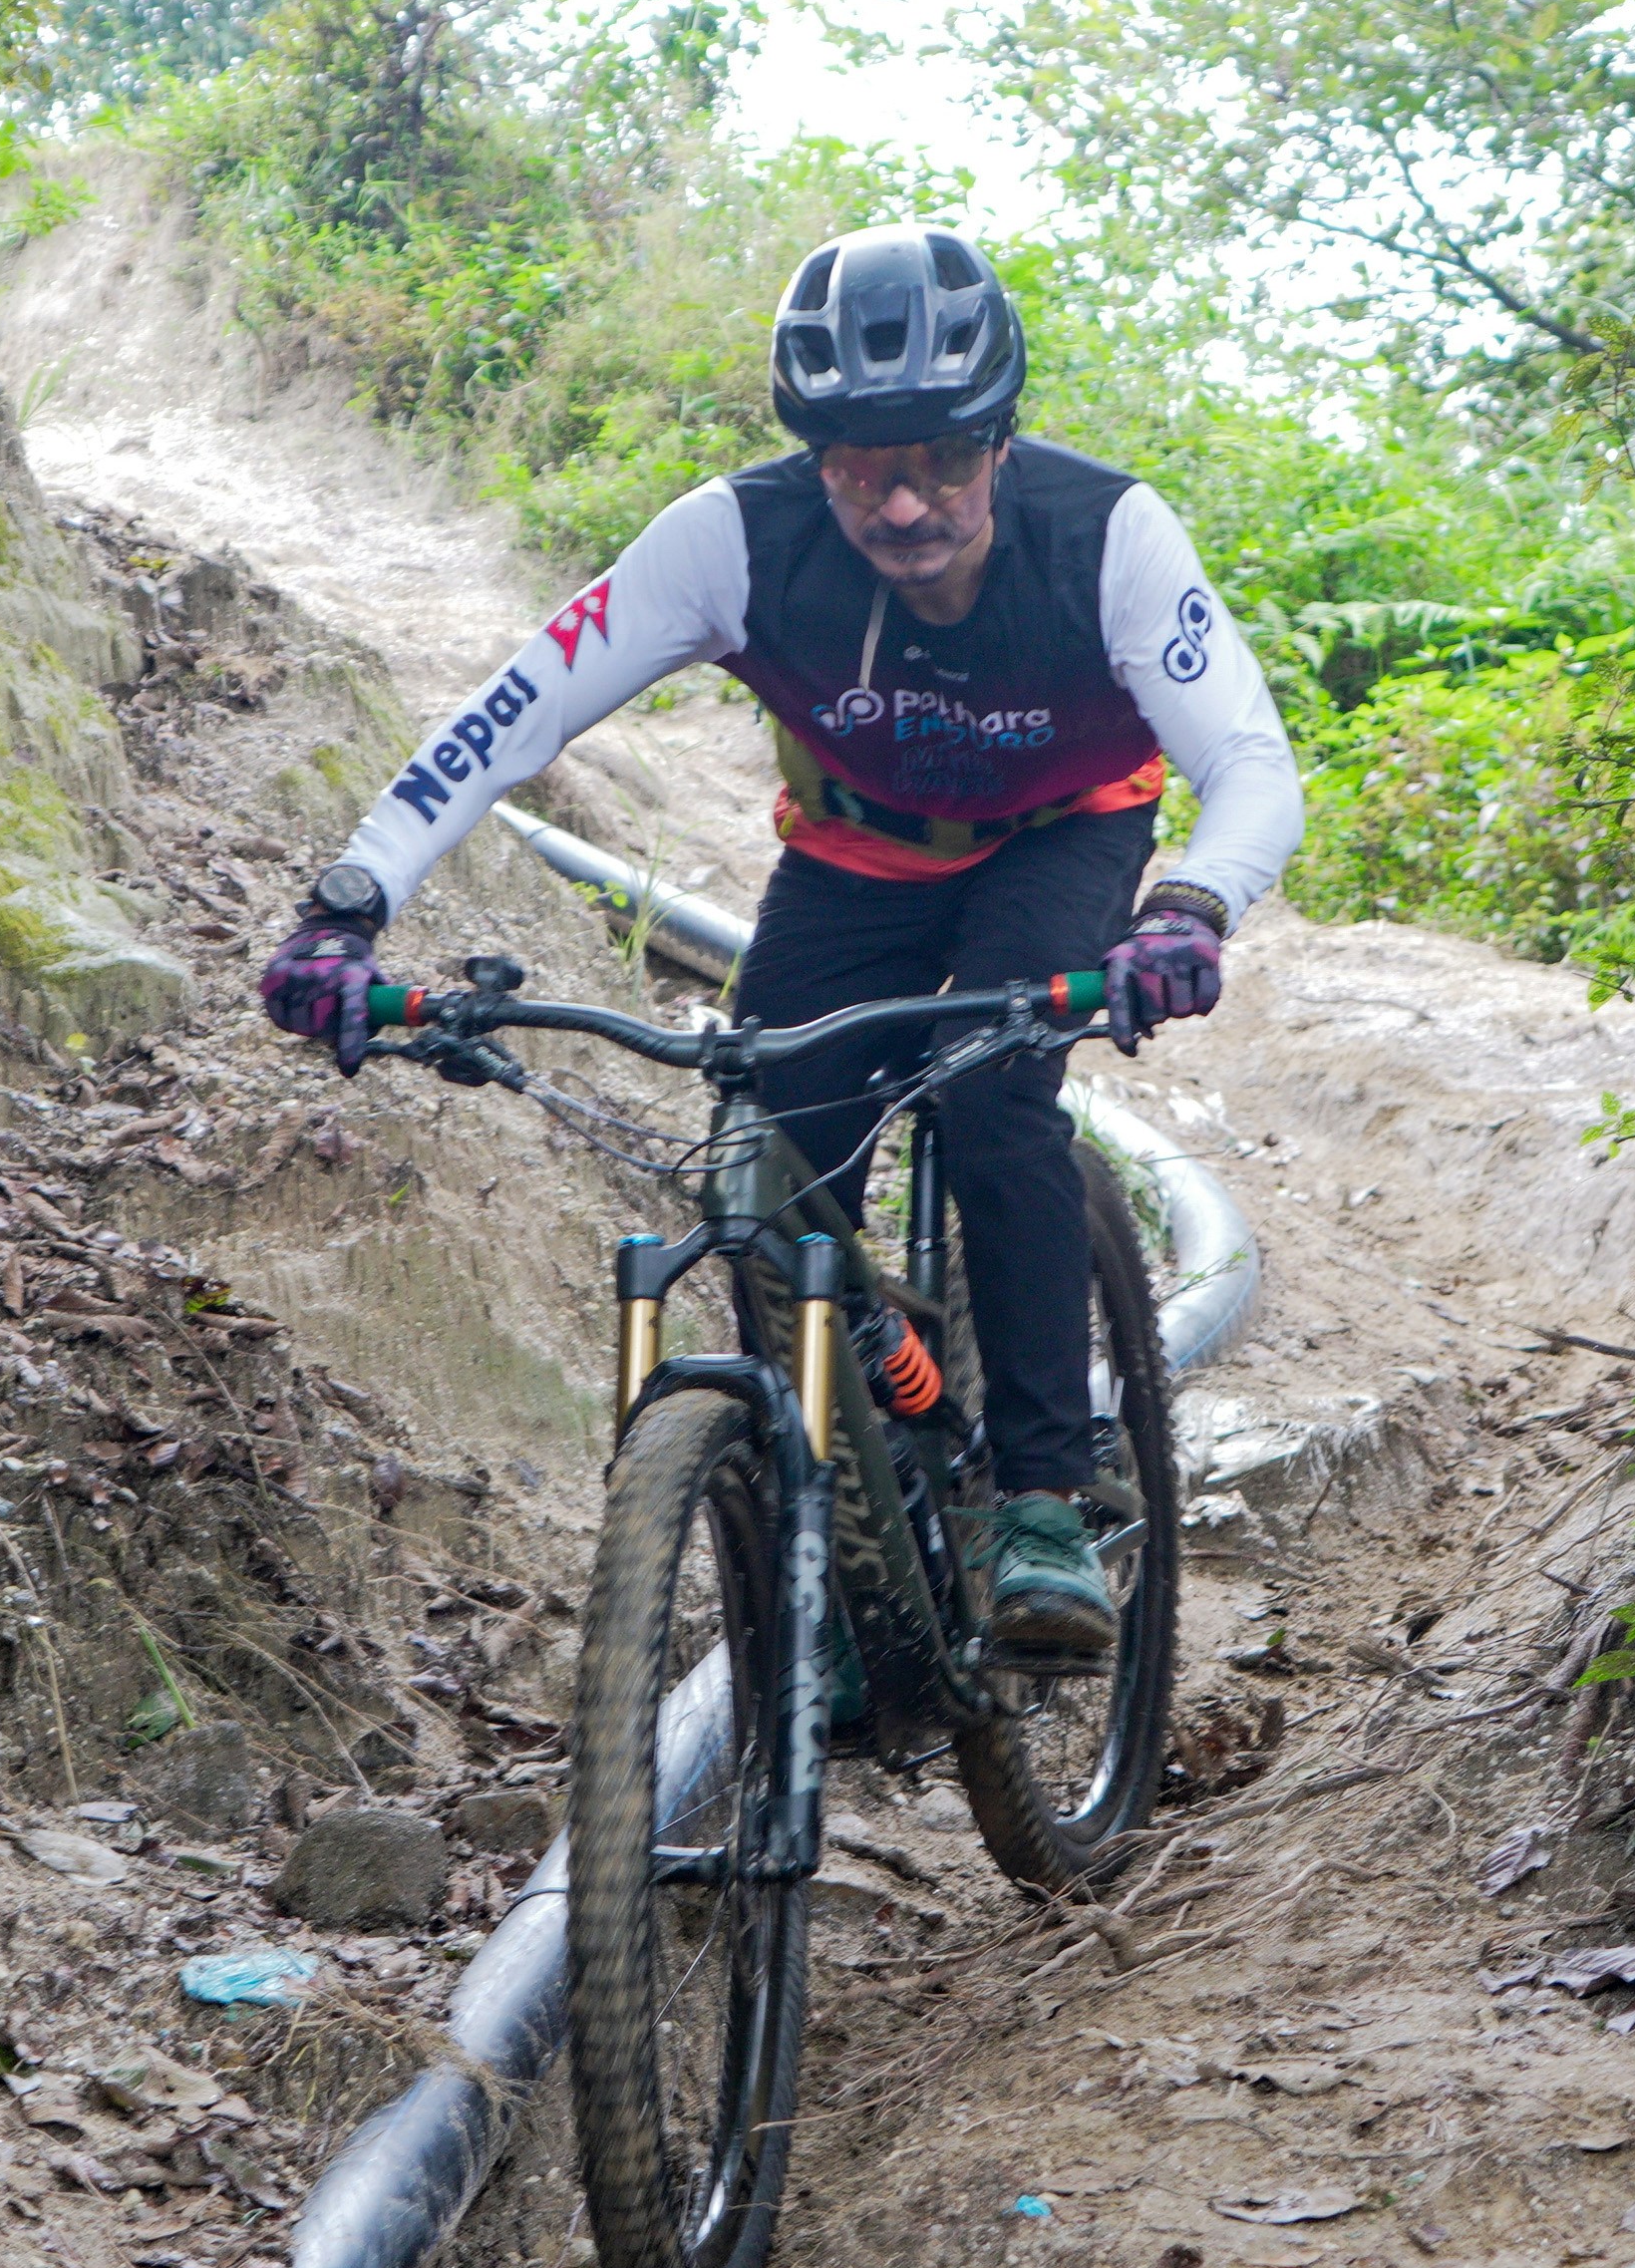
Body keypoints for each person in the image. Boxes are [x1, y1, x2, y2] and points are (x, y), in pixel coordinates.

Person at [254, 222, 1303, 1654]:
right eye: (863, 464)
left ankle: (1043, 1493)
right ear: (814, 457)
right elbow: (514, 714)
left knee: (992, 1086)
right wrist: (349, 903)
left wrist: (1188, 909)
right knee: (767, 1151)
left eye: (940, 457)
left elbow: (1251, 764)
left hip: (1063, 838)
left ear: (999, 442)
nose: (905, 500)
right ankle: (827, 1492)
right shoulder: (730, 540)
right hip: (853, 856)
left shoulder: (1106, 534)